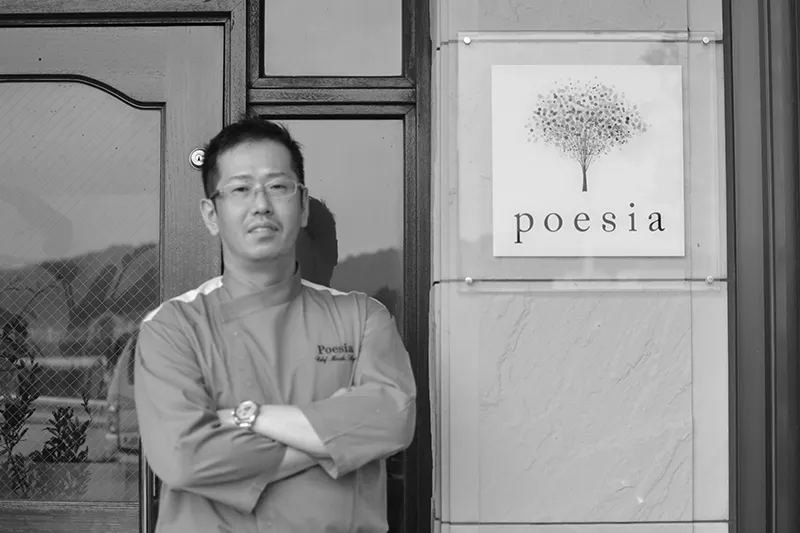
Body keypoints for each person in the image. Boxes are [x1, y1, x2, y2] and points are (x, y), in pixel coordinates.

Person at [133, 115, 416, 532]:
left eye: (278, 186)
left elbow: (391, 418)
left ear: (303, 206)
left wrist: (248, 417)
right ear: (211, 214)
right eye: (241, 189)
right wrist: (337, 440)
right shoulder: (173, 327)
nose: (261, 204)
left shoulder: (361, 318)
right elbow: (185, 457)